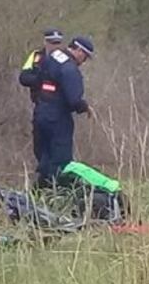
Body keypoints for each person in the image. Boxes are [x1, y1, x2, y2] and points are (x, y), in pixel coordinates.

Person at [32, 35, 94, 188]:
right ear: (78, 50)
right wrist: (84, 107)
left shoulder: (49, 57)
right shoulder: (69, 69)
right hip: (58, 120)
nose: (84, 61)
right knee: (60, 160)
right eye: (85, 56)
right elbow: (73, 99)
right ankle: (56, 194)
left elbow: (31, 79)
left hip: (40, 114)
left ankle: (39, 193)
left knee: (44, 158)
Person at [19, 28, 66, 170]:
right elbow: (23, 77)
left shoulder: (65, 59)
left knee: (57, 148)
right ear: (45, 42)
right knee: (39, 145)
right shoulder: (36, 56)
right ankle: (43, 173)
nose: (55, 46)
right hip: (40, 106)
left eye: (58, 43)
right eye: (52, 42)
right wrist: (40, 80)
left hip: (59, 109)